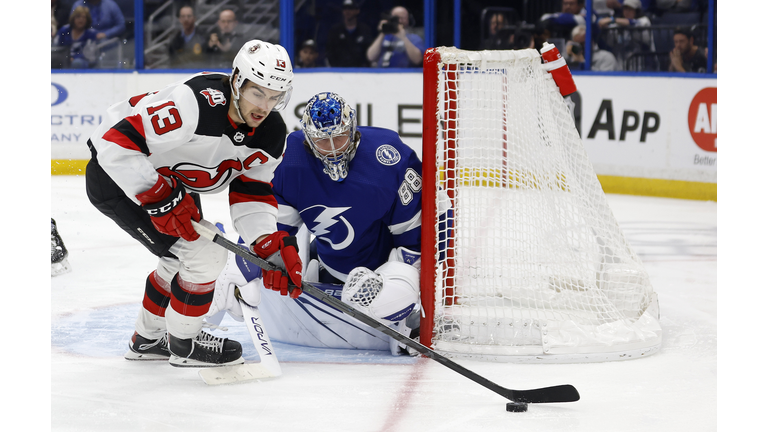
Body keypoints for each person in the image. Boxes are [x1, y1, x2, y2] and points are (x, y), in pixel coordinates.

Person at [84, 40, 303, 367]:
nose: (265, 106)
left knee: (180, 258)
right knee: (205, 254)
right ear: (237, 81)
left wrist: (267, 242)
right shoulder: (194, 103)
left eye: (275, 97)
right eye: (258, 93)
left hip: (172, 186)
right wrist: (158, 196)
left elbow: (251, 192)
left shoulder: (271, 134)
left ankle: (147, 340)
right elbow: (115, 145)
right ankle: (184, 345)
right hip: (120, 177)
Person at [206, 92, 450, 356]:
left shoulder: (388, 157)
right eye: (323, 140)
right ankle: (192, 323)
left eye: (340, 137)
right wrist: (256, 260)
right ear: (309, 140)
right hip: (326, 268)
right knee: (233, 271)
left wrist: (399, 288)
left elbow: (416, 243)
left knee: (399, 288)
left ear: (353, 130)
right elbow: (271, 229)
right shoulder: (291, 159)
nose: (333, 148)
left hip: (384, 269)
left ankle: (400, 313)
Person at [325, 0, 374, 67]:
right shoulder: (335, 31)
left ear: (357, 11)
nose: (347, 11)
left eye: (350, 8)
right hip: (339, 71)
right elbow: (329, 53)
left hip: (360, 72)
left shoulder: (365, 30)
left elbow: (369, 53)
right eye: (345, 8)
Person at [168, 4, 208, 68]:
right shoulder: (174, 40)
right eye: (183, 16)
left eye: (189, 16)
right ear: (179, 19)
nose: (186, 19)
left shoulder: (204, 37)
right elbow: (172, 61)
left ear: (194, 18)